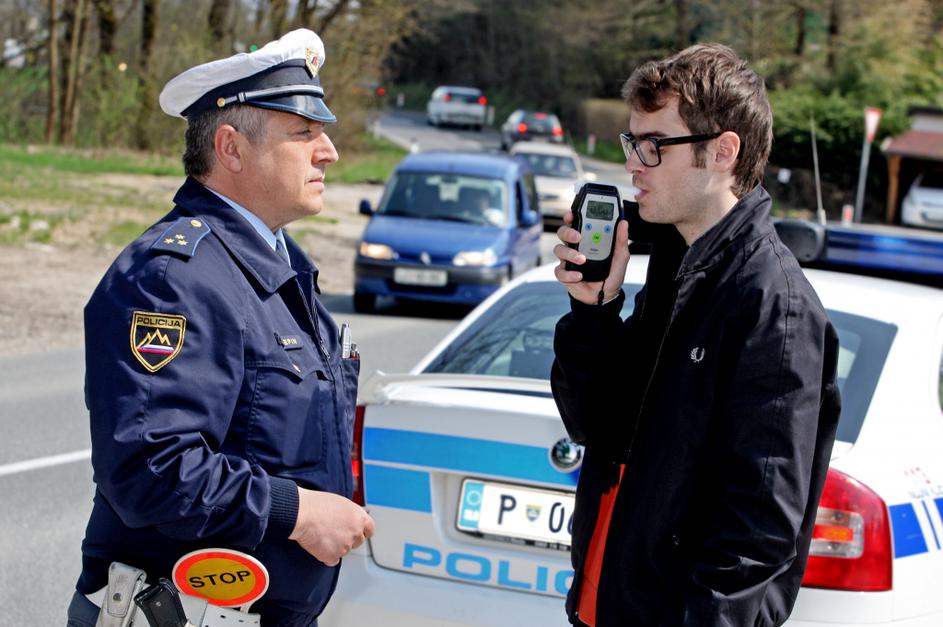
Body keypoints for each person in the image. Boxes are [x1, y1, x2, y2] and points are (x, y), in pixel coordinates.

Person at [67, 29, 374, 626]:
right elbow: (150, 467)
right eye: (304, 133)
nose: (329, 151)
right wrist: (298, 512)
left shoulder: (278, 267)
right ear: (231, 149)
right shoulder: (173, 277)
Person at [550, 43, 841, 627]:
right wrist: (595, 312)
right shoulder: (675, 271)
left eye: (654, 145)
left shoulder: (773, 303)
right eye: (632, 143)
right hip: (601, 607)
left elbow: (758, 529)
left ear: (723, 151)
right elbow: (595, 426)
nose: (634, 164)